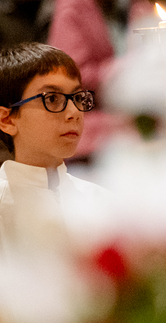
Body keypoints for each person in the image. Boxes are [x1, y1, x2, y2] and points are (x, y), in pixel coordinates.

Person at [47, 0, 150, 159]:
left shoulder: (123, 3)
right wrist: (123, 69)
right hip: (92, 126)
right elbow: (71, 76)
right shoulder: (71, 6)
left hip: (126, 115)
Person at [0, 42, 102, 255]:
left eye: (78, 97)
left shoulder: (103, 202)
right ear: (7, 119)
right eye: (52, 99)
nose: (74, 112)